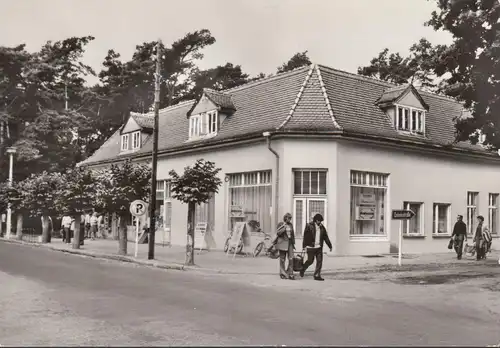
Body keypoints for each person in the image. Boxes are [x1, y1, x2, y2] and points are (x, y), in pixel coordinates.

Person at [300, 213, 332, 281]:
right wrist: (304, 246)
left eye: (320, 221)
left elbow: (325, 237)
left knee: (319, 261)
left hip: (319, 247)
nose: (320, 222)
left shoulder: (322, 228)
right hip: (311, 247)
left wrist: (330, 246)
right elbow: (305, 236)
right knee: (310, 261)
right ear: (315, 220)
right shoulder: (309, 226)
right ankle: (302, 269)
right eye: (318, 220)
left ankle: (317, 275)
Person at [275, 213, 295, 280]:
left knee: (291, 259)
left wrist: (293, 243)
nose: (289, 219)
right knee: (282, 259)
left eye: (290, 218)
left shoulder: (291, 225)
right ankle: (282, 273)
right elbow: (278, 233)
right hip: (283, 243)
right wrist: (284, 228)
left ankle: (290, 273)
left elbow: (292, 234)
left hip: (290, 243)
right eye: (288, 218)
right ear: (285, 218)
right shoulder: (281, 224)